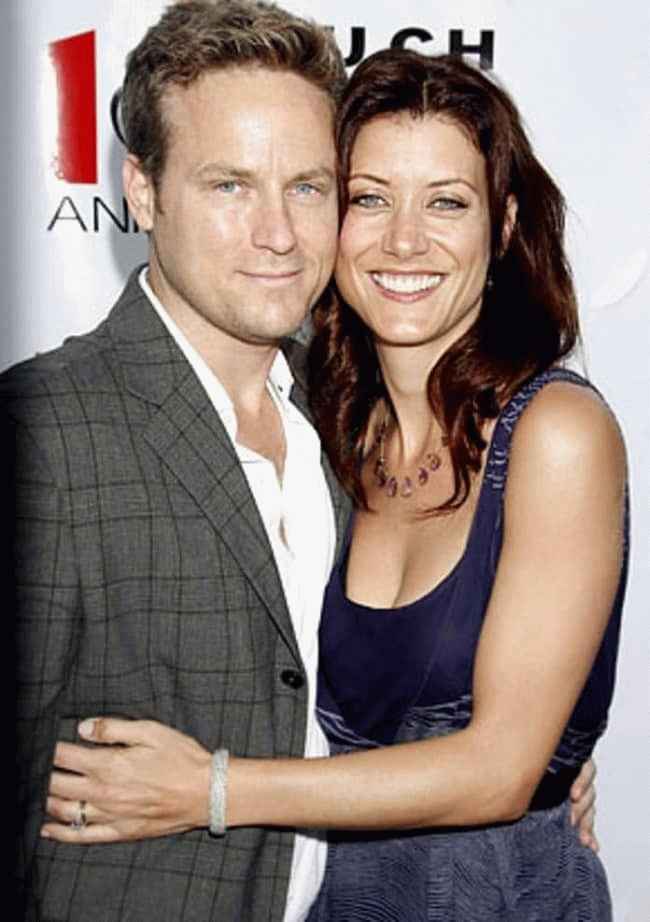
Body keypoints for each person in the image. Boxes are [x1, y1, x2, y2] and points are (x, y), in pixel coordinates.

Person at [38, 47, 623, 921]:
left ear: (502, 226)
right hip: (336, 899)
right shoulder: (330, 419)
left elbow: (499, 770)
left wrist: (213, 789)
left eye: (447, 203)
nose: (404, 241)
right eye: (369, 198)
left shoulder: (556, 432)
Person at [7, 2, 350, 920]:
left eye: (307, 187)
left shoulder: (355, 413)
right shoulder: (43, 431)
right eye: (230, 185)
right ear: (144, 191)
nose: (279, 233)